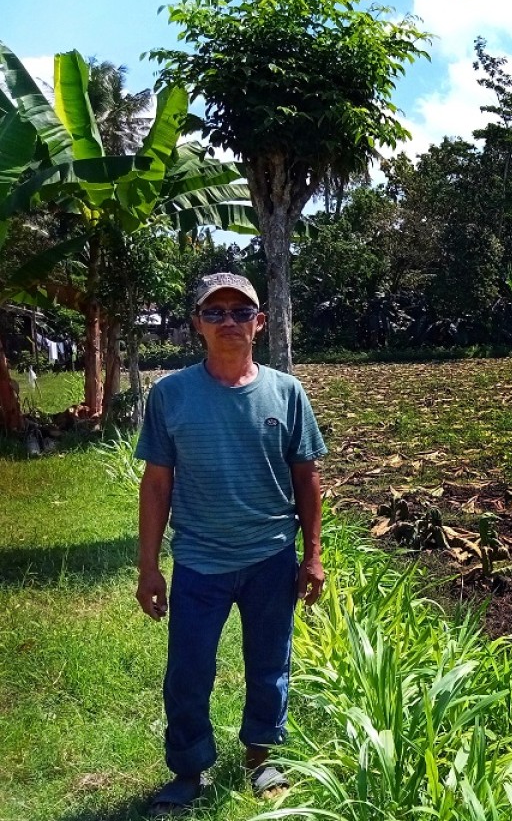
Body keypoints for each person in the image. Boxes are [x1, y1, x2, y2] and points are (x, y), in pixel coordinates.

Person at [134, 272, 327, 816]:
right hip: (199, 562)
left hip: (270, 558)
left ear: (259, 324)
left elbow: (307, 476)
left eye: (240, 312)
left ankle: (260, 757)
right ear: (197, 324)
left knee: (270, 663)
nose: (229, 322)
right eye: (214, 312)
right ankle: (189, 768)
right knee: (188, 668)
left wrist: (312, 555)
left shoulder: (287, 393)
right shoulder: (171, 394)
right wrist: (148, 567)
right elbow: (156, 483)